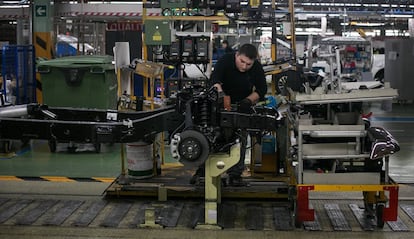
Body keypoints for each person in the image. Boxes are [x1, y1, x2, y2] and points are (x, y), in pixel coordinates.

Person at [190, 43, 267, 186]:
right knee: (212, 138)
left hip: (242, 107)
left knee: (240, 140)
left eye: (248, 64)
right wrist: (222, 99)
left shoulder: (256, 67)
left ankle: (235, 175)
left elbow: (262, 89)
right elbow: (215, 82)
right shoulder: (225, 60)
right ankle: (202, 172)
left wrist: (248, 101)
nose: (244, 66)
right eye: (242, 62)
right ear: (237, 55)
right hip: (219, 105)